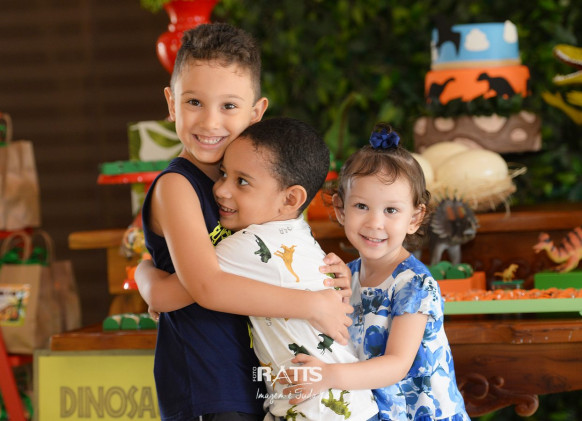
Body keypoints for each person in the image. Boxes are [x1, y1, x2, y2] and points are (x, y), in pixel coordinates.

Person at [135, 23, 353, 421]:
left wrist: (327, 274)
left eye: (229, 106)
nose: (210, 122)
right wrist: (312, 304)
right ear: (171, 103)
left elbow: (277, 247)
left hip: (251, 375)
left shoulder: (248, 183)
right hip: (207, 381)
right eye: (194, 102)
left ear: (256, 113)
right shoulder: (177, 186)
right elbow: (206, 285)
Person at [281, 123, 470, 421]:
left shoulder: (414, 284)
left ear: (415, 218)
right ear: (341, 209)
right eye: (361, 206)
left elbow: (397, 364)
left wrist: (328, 375)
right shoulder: (349, 274)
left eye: (391, 210)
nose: (374, 223)